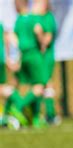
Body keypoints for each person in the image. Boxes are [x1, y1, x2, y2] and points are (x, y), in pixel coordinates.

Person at [9, 0, 49, 128]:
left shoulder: (18, 20)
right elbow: (38, 31)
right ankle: (19, 106)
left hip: (23, 55)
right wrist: (43, 44)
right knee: (40, 86)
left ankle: (35, 118)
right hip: (33, 54)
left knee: (32, 86)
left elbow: (14, 39)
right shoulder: (32, 18)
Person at [32, 0, 59, 125]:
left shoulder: (48, 18)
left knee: (46, 83)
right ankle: (41, 114)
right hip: (39, 57)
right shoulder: (37, 18)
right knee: (41, 83)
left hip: (46, 57)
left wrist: (39, 35)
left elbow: (46, 40)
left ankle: (50, 114)